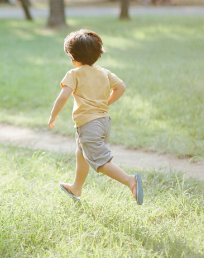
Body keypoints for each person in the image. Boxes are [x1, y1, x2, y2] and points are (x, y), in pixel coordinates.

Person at [48, 29, 144, 205]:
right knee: (82, 153)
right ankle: (76, 187)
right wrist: (106, 103)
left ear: (73, 57)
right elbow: (121, 87)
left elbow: (63, 96)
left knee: (99, 161)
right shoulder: (104, 72)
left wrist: (53, 116)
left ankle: (130, 181)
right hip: (103, 122)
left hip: (88, 125)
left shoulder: (74, 74)